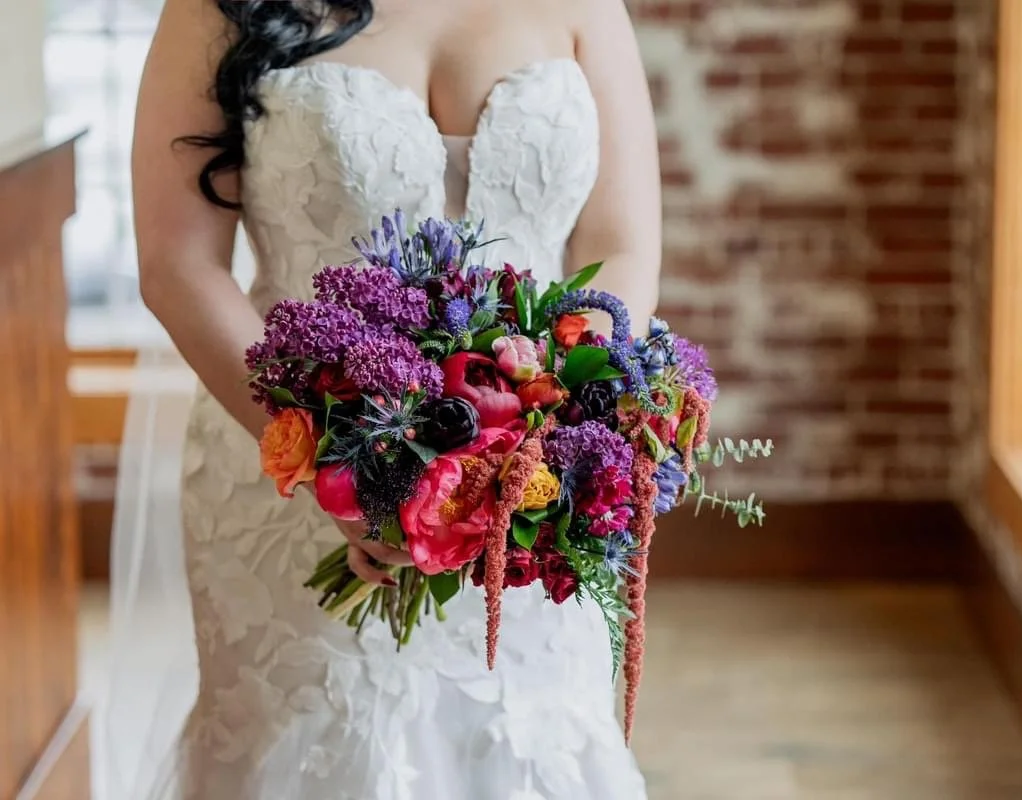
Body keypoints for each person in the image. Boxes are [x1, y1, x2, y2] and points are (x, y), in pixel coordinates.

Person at [116, 0, 662, 796]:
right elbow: (177, 263)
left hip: (530, 486)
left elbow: (622, 245)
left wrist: (551, 437)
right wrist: (332, 471)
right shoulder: (217, 6)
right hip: (285, 466)